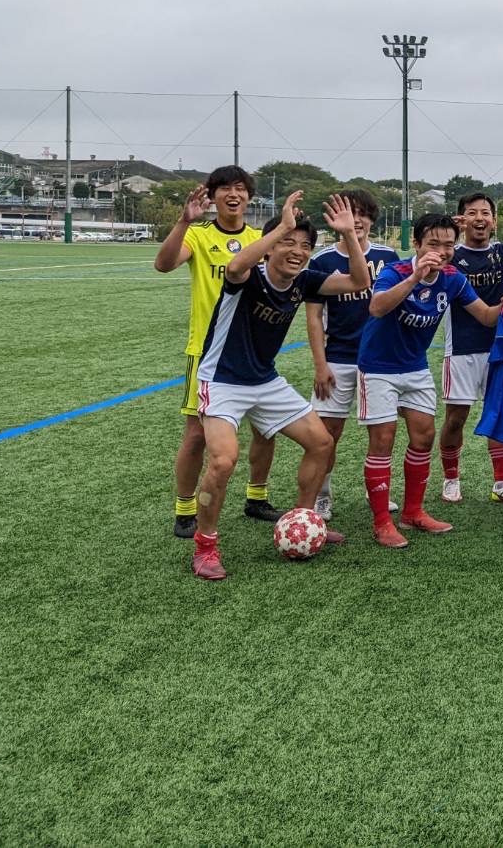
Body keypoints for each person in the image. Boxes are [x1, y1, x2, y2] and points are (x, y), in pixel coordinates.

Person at [189, 192, 372, 580]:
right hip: (221, 381)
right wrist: (283, 226)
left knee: (321, 443)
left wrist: (348, 235)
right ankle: (205, 546)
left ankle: (304, 520)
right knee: (222, 460)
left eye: (305, 245)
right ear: (269, 246)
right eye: (289, 242)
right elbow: (235, 266)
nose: (298, 251)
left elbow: (360, 280)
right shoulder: (248, 277)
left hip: (265, 380)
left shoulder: (304, 281)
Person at [356, 213, 503, 548]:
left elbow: (484, 315)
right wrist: (415, 278)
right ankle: (382, 523)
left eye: (449, 244)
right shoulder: (395, 272)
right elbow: (377, 307)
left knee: (423, 437)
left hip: (416, 367)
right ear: (417, 244)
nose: (442, 251)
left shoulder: (453, 278)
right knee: (383, 440)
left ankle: (412, 512)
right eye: (434, 244)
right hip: (378, 367)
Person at [153, 165, 277, 537]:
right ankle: (185, 510)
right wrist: (183, 222)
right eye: (224, 188)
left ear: (249, 197)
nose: (232, 194)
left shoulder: (259, 238)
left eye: (240, 188)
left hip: (252, 350)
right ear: (213, 196)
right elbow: (163, 265)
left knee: (265, 428)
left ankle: (257, 497)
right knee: (196, 435)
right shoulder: (199, 234)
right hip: (207, 352)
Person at [303, 188, 399, 521]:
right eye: (349, 212)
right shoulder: (323, 261)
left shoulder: (388, 257)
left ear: (372, 219)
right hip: (338, 358)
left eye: (362, 213)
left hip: (379, 362)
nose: (356, 220)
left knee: (382, 433)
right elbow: (314, 317)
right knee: (327, 435)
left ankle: (377, 491)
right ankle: (322, 495)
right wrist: (320, 365)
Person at [437, 191, 503, 508]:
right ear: (461, 219)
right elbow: (432, 262)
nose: (479, 218)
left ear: (494, 220)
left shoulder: (502, 252)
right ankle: (451, 479)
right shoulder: (451, 255)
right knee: (456, 418)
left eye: (485, 213)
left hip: (500, 348)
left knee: (500, 414)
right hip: (461, 348)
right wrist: (450, 238)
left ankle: (502, 484)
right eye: (472, 212)